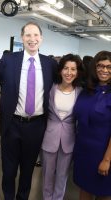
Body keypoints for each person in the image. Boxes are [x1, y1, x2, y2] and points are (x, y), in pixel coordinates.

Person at [0, 21, 58, 200]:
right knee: (8, 170)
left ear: (41, 38)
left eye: (35, 35)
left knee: (28, 170)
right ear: (22, 38)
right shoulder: (8, 60)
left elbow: (67, 81)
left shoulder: (49, 64)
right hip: (12, 123)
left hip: (36, 126)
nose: (32, 39)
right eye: (28, 35)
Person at [41, 54, 83, 200]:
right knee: (47, 174)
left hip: (69, 140)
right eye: (66, 68)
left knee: (62, 175)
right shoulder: (50, 89)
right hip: (49, 137)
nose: (69, 72)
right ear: (60, 70)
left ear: (77, 72)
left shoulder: (81, 92)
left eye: (73, 69)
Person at [73, 51, 111, 200]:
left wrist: (107, 160)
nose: (104, 70)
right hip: (83, 151)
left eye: (109, 67)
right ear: (94, 67)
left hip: (104, 152)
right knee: (84, 188)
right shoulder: (86, 91)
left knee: (103, 192)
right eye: (100, 66)